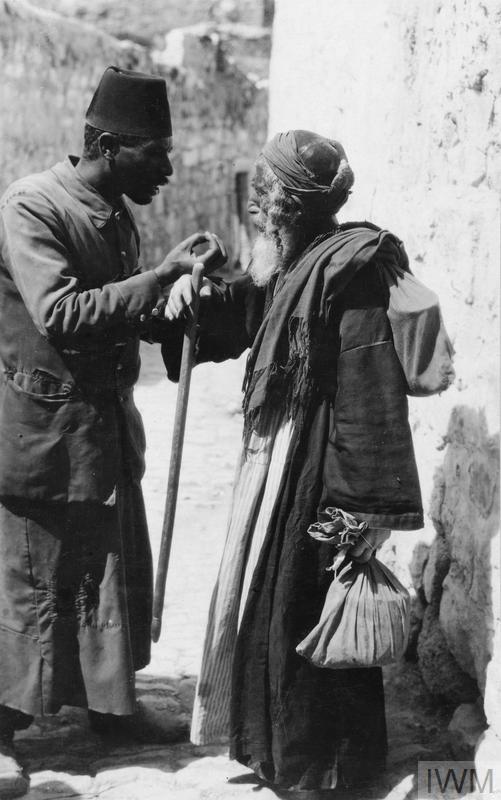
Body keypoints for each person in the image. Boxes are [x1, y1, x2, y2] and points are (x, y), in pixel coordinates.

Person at [164, 130, 452, 797]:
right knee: (273, 604)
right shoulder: (291, 262)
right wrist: (190, 301)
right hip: (280, 455)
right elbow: (247, 318)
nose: (255, 213)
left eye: (262, 200)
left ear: (284, 205)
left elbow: (367, 386)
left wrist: (359, 508)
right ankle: (280, 750)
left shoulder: (346, 270)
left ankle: (323, 766)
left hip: (321, 464)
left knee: (307, 609)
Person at [0, 65, 225, 796]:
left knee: (102, 572)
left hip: (101, 429)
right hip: (43, 429)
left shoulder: (112, 205)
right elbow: (62, 314)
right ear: (105, 144)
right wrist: (159, 277)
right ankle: (2, 731)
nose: (166, 167)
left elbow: (122, 310)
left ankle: (109, 708)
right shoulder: (33, 206)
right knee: (32, 577)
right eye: (153, 152)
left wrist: (177, 302)